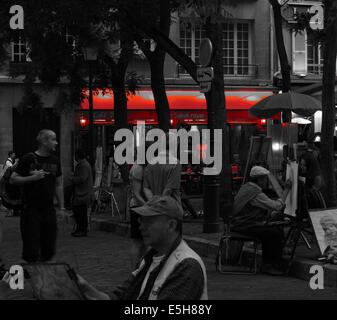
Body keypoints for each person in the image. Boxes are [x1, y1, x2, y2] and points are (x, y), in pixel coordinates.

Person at [77, 196, 208, 300]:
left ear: (171, 225)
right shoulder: (149, 258)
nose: (141, 226)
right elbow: (120, 296)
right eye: (141, 221)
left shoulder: (187, 265)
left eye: (149, 221)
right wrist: (85, 288)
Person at [10, 129, 66, 263]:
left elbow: (58, 184)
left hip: (48, 210)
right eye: (53, 139)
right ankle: (34, 277)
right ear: (44, 142)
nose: (56, 143)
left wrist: (62, 208)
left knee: (49, 248)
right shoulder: (28, 159)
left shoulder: (55, 160)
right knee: (31, 248)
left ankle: (42, 272)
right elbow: (13, 179)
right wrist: (32, 178)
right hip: (31, 210)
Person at [231, 166, 292, 276]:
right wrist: (287, 190)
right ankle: (271, 265)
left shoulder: (246, 187)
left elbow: (255, 208)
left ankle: (268, 264)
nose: (266, 181)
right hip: (244, 225)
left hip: (239, 223)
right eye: (265, 179)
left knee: (269, 231)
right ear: (259, 179)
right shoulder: (255, 192)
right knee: (274, 233)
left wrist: (270, 215)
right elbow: (276, 206)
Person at [143, 132, 182, 203]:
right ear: (175, 145)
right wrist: (161, 204)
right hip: (171, 207)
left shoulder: (151, 163)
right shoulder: (175, 163)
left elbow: (146, 188)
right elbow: (168, 190)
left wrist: (153, 203)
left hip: (153, 208)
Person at [69, 148, 93, 237]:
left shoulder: (83, 165)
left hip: (82, 194)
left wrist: (72, 179)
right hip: (82, 193)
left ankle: (81, 229)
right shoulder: (84, 164)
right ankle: (80, 229)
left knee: (80, 213)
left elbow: (82, 178)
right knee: (79, 212)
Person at [129, 163, 147, 267]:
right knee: (137, 242)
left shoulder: (143, 167)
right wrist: (148, 207)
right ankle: (135, 270)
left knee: (145, 242)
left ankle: (142, 269)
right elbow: (136, 193)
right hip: (138, 208)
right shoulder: (138, 168)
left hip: (143, 207)